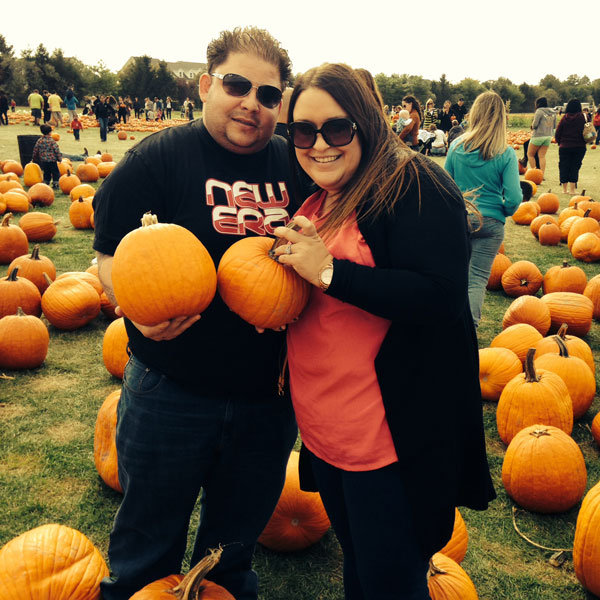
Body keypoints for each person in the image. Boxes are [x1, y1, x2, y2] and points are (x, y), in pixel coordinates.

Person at [92, 26, 306, 600]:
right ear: (207, 85)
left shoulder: (298, 166)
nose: (251, 103)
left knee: (231, 549)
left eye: (267, 95)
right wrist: (132, 308)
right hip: (171, 386)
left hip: (270, 393)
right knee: (146, 540)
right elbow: (109, 251)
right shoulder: (158, 158)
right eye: (238, 85)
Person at [272, 62, 495, 600]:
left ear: (367, 123)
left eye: (337, 127)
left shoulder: (413, 182)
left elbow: (440, 296)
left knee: (390, 580)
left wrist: (330, 271)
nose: (319, 143)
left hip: (386, 442)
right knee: (362, 569)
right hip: (329, 432)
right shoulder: (326, 191)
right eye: (304, 130)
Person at [444, 90, 523, 329]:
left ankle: (445, 326)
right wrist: (502, 211)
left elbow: (445, 186)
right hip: (490, 223)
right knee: (476, 279)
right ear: (501, 118)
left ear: (475, 114)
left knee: (452, 275)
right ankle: (468, 331)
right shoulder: (506, 153)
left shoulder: (456, 146)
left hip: (459, 219)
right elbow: (513, 198)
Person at [554, 98, 587, 194]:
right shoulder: (583, 117)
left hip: (565, 147)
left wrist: (560, 142)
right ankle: (572, 190)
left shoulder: (564, 118)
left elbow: (558, 132)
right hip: (579, 147)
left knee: (564, 166)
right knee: (575, 167)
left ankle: (564, 189)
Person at [526, 97, 556, 177]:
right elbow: (554, 125)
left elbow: (535, 125)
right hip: (548, 136)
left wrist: (531, 126)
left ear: (538, 104)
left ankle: (535, 174)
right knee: (542, 156)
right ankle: (541, 175)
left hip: (538, 136)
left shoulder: (539, 111)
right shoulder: (553, 112)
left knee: (530, 154)